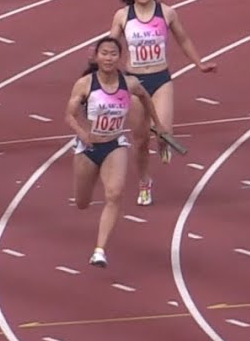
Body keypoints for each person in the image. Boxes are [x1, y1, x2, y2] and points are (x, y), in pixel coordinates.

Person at [108, 0, 216, 207]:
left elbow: (183, 39)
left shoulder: (166, 13)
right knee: (140, 140)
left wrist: (199, 64)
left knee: (164, 128)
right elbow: (112, 44)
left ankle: (164, 142)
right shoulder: (123, 16)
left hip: (161, 78)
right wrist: (102, 62)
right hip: (135, 82)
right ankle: (145, 182)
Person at [64, 36, 171, 268]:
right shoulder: (85, 84)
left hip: (114, 145)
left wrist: (158, 124)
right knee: (82, 202)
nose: (109, 58)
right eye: (104, 53)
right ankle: (95, 234)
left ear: (119, 57)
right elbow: (69, 115)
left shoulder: (129, 83)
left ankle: (99, 251)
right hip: (88, 148)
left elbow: (145, 97)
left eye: (113, 53)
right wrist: (83, 134)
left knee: (114, 194)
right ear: (96, 56)